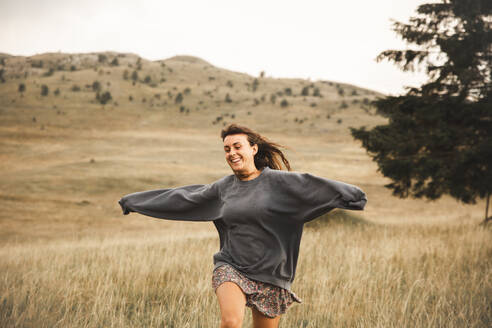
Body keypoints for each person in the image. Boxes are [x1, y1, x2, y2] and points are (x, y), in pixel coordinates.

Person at [118, 123, 367, 328]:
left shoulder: (279, 183)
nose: (231, 153)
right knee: (230, 323)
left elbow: (312, 184)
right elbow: (182, 197)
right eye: (226, 149)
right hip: (231, 266)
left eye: (237, 146)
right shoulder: (222, 188)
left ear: (253, 149)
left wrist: (352, 196)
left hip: (272, 272)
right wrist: (135, 202)